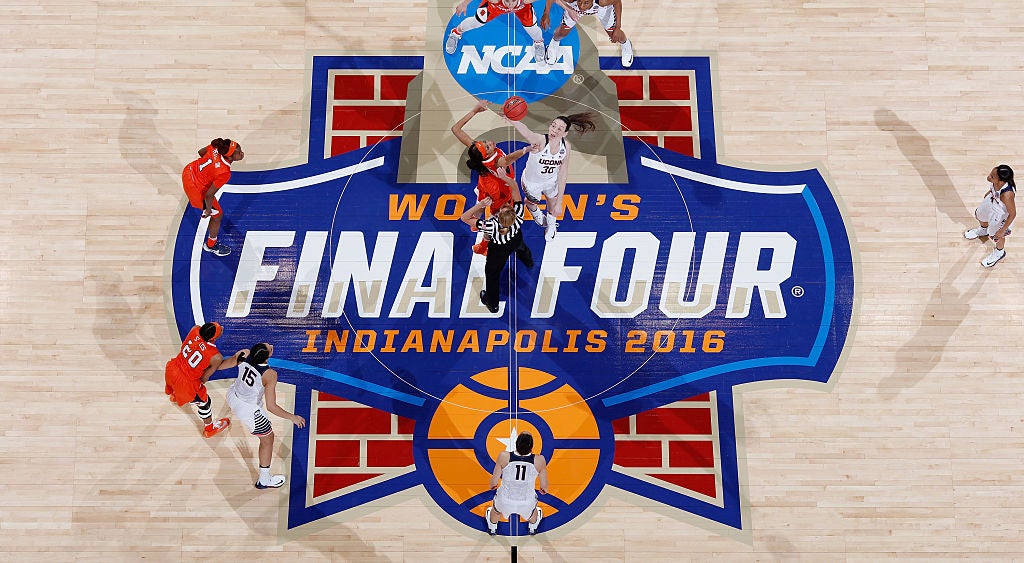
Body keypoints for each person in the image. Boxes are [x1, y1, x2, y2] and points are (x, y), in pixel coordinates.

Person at [451, 100, 537, 255]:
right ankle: (484, 244)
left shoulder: (478, 153)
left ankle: (478, 231)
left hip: (484, 183)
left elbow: (456, 129)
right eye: (488, 146)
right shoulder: (498, 162)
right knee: (494, 221)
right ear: (488, 154)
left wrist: (474, 110)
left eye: (485, 142)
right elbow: (510, 158)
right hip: (499, 191)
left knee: (481, 209)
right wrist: (526, 149)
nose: (489, 142)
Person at [225, 343, 307, 489]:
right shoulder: (269, 374)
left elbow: (221, 365)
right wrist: (292, 417)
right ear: (268, 356)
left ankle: (264, 478)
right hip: (248, 409)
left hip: (233, 395)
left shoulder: (243, 354)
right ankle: (264, 480)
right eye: (269, 347)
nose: (271, 345)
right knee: (268, 439)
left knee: (266, 434)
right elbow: (271, 406)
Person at [505, 112, 596, 239]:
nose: (555, 130)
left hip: (550, 180)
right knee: (531, 203)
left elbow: (563, 172)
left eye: (559, 128)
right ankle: (536, 213)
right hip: (532, 183)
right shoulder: (541, 141)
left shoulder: (566, 147)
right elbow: (527, 132)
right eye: (553, 126)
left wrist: (560, 202)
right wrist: (511, 119)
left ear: (565, 133)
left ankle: (551, 224)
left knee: (553, 204)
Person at [461, 168, 534, 313]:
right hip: (514, 238)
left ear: (499, 216)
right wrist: (505, 178)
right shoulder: (519, 215)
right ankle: (528, 260)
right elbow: (514, 187)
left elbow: (464, 218)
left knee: (492, 274)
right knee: (520, 245)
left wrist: (481, 205)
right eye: (507, 206)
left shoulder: (491, 225)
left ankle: (493, 304)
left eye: (504, 207)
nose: (505, 204)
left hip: (498, 250)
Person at [165, 322, 241, 438]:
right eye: (219, 329)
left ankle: (175, 395)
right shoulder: (216, 357)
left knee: (175, 385)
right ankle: (210, 428)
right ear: (212, 338)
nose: (222, 328)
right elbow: (204, 378)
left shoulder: (195, 329)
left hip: (172, 368)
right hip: (186, 383)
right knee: (204, 402)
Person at [181, 137, 245, 257]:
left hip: (189, 170)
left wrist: (208, 170)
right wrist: (208, 210)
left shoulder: (217, 148)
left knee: (215, 211)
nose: (242, 153)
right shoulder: (224, 172)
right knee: (217, 216)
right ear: (230, 156)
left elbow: (201, 152)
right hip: (195, 189)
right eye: (239, 152)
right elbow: (209, 195)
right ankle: (211, 245)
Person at [485, 431, 549, 535]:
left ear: (516, 443)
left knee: (496, 510)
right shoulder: (540, 460)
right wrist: (543, 490)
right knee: (533, 512)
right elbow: (544, 487)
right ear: (532, 447)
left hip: (505, 500)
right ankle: (533, 527)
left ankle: (492, 527)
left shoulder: (503, 456)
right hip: (526, 502)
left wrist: (493, 486)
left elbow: (493, 482)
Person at [446, 0, 546, 64]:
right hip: (495, 7)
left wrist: (547, 13)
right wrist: (464, 4)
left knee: (531, 28)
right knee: (477, 21)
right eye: (507, 1)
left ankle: (538, 42)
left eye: (513, 1)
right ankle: (455, 32)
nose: (510, 4)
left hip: (522, 7)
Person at [540, 0, 633, 68]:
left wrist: (618, 27)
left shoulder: (603, 1)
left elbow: (617, 2)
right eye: (580, 2)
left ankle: (626, 44)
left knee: (613, 33)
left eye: (586, 3)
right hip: (573, 8)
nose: (582, 6)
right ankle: (554, 42)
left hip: (601, 9)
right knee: (562, 32)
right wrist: (546, 13)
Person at [964, 164, 1016, 267]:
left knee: (997, 235)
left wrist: (1002, 230)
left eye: (992, 177)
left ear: (1001, 181)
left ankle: (999, 252)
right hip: (992, 200)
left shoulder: (1007, 195)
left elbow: (1013, 213)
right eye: (990, 173)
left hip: (1000, 214)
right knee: (980, 215)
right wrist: (989, 193)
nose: (988, 177)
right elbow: (993, 188)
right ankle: (984, 230)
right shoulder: (996, 182)